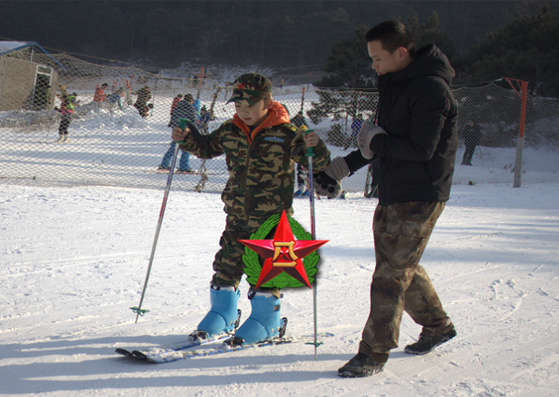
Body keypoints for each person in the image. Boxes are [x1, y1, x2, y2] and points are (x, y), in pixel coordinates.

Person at [313, 19, 458, 377]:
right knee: (399, 267)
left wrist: (376, 140)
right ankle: (437, 325)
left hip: (421, 192)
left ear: (401, 52)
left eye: (378, 58)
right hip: (395, 188)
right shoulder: (397, 84)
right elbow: (379, 141)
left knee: (391, 275)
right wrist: (340, 168)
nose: (374, 65)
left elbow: (420, 149)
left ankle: (373, 353)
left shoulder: (431, 89)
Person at [171, 73, 330, 345]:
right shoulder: (230, 130)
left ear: (267, 102)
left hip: (271, 221)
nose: (243, 111)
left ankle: (267, 321)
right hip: (236, 215)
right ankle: (223, 313)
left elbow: (313, 160)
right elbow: (207, 147)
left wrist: (317, 147)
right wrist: (187, 139)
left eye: (249, 106)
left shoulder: (286, 133)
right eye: (238, 106)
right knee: (226, 264)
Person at [159, 94, 196, 173]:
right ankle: (184, 166)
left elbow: (173, 120)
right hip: (186, 133)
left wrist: (176, 128)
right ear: (191, 100)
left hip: (177, 132)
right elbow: (192, 122)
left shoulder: (177, 108)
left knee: (173, 149)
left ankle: (164, 164)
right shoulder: (191, 109)